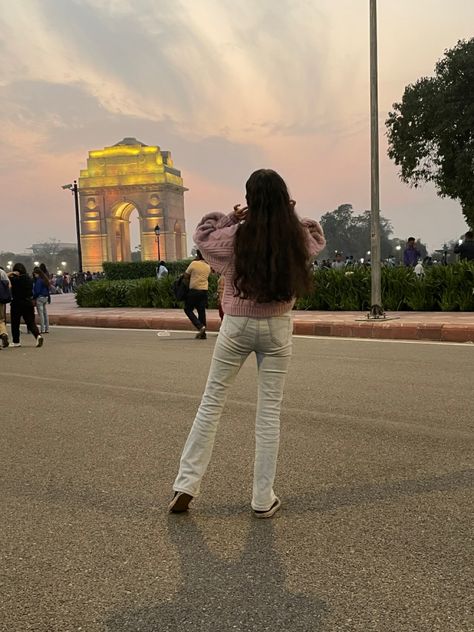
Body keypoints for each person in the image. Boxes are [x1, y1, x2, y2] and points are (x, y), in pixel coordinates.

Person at [169, 169, 326, 518]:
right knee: (268, 414)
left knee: (211, 404)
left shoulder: (237, 236)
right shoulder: (293, 238)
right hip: (277, 328)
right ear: (284, 199)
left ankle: (186, 484)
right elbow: (316, 236)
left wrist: (232, 216)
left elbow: (203, 234)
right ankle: (261, 498)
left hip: (237, 325)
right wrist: (291, 215)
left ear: (250, 199)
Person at [8, 263, 43, 348]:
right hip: (28, 302)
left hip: (16, 303)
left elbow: (5, 278)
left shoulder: (14, 279)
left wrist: (11, 273)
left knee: (15, 323)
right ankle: (38, 336)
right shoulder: (29, 279)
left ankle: (16, 342)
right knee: (31, 322)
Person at [183, 250, 211, 339]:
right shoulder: (208, 266)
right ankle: (203, 334)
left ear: (198, 255)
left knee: (187, 309)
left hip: (194, 290)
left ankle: (199, 326)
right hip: (204, 291)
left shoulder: (194, 263)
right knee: (201, 311)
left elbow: (186, 275)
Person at [33, 266, 50, 334]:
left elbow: (37, 290)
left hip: (39, 298)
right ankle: (47, 328)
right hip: (45, 297)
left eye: (35, 274)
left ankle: (42, 329)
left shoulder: (39, 281)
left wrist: (34, 297)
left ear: (38, 274)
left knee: (41, 314)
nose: (35, 276)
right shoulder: (45, 279)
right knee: (45, 313)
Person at [0, 266, 10, 348]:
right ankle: (4, 333)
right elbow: (9, 285)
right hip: (1, 299)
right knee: (1, 320)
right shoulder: (2, 272)